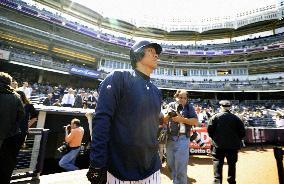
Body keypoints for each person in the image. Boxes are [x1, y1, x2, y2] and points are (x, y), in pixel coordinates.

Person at [86, 40, 163, 184]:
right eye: (151, 51)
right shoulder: (119, 77)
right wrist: (97, 162)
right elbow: (102, 120)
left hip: (151, 168)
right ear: (138, 54)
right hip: (118, 168)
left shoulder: (156, 91)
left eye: (156, 53)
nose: (156, 55)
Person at [207, 100, 246, 184]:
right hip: (232, 147)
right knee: (232, 165)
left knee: (217, 164)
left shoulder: (215, 117)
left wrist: (215, 138)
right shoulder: (236, 118)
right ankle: (231, 181)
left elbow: (209, 130)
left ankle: (217, 182)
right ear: (230, 107)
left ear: (221, 107)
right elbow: (242, 133)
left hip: (218, 146)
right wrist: (236, 139)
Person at [165, 89, 198, 184]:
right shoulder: (170, 105)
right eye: (180, 97)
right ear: (176, 97)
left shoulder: (189, 107)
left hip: (183, 138)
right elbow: (164, 120)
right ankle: (175, 182)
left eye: (185, 98)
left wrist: (181, 119)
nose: (183, 99)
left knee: (181, 167)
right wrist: (168, 115)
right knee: (170, 165)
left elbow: (195, 121)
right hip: (170, 138)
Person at [0, 72, 25, 184]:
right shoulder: (16, 97)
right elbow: (21, 115)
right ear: (9, 83)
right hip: (10, 136)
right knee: (6, 165)